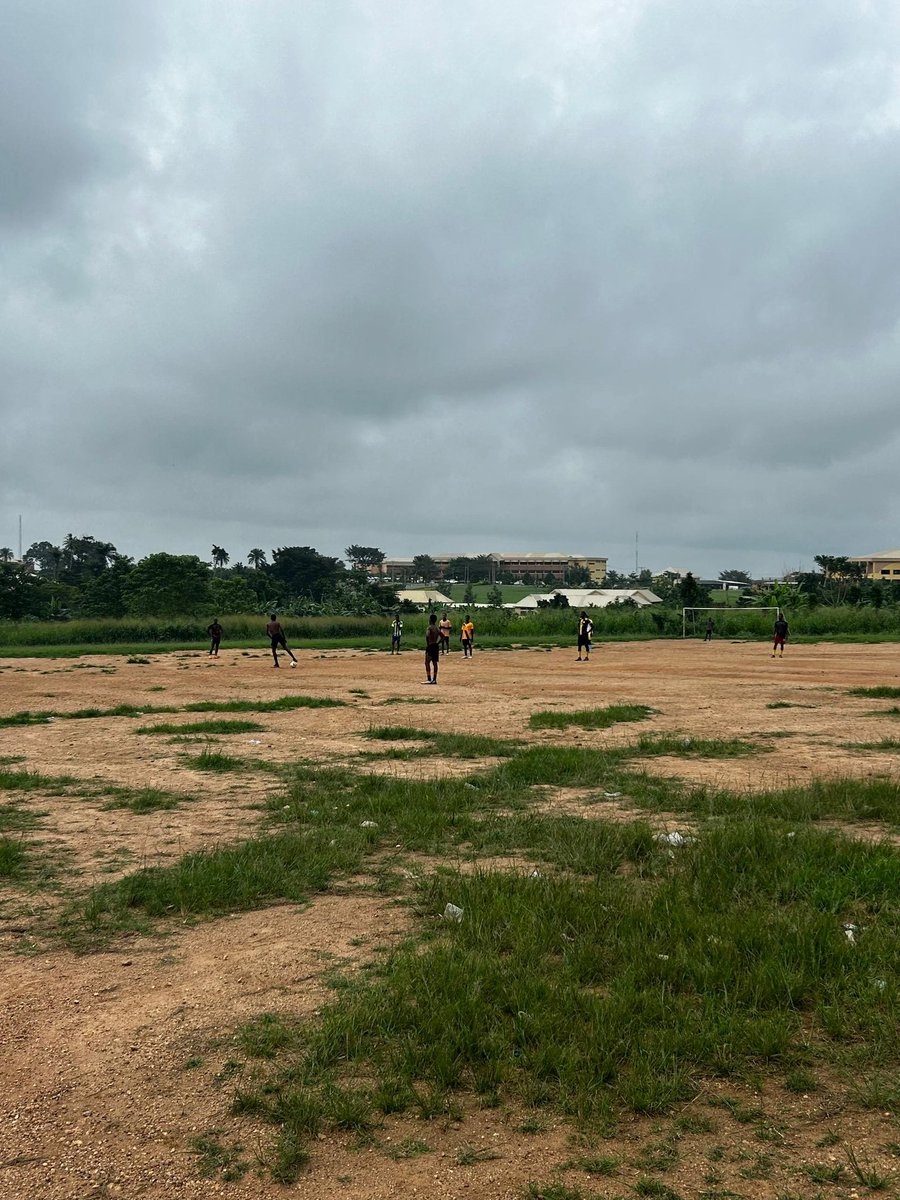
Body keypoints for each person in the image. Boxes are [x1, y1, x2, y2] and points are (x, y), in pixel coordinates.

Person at [424, 612, 441, 683]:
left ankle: (429, 678)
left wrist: (428, 644)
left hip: (430, 645)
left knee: (427, 662)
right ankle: (434, 679)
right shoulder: (437, 628)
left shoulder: (429, 627)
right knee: (435, 663)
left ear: (430, 620)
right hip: (435, 646)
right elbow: (442, 636)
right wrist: (438, 642)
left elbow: (427, 635)